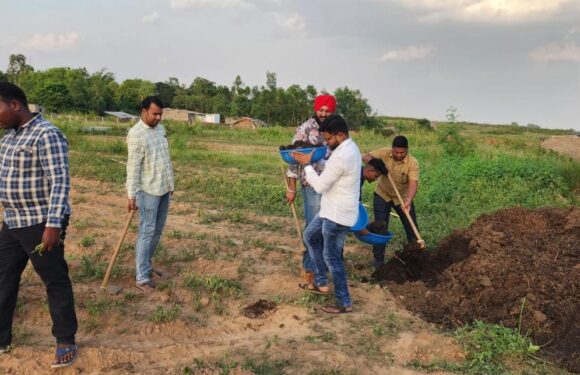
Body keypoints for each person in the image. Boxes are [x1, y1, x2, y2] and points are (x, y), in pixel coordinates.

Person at [0, 82, 78, 368]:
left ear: (15, 105)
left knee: (54, 279)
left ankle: (66, 339)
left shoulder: (47, 134)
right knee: (3, 277)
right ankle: (2, 338)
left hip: (40, 221)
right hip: (13, 220)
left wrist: (53, 225)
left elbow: (60, 181)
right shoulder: (8, 137)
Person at [291, 115, 361, 314]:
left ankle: (343, 302)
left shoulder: (342, 156)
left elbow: (320, 186)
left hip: (337, 215)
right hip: (332, 209)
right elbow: (330, 171)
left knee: (332, 258)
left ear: (340, 135)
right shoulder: (349, 148)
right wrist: (315, 159)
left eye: (329, 139)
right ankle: (321, 281)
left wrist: (306, 164)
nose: (327, 143)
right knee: (310, 236)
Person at [285, 94, 336, 286]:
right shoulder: (305, 129)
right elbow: (292, 158)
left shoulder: (336, 129)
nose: (323, 113)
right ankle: (310, 270)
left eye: (327, 110)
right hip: (313, 186)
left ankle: (325, 268)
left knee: (329, 229)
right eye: (320, 109)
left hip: (332, 187)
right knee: (314, 229)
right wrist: (292, 188)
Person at [126, 96, 174, 292]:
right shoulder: (136, 134)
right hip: (148, 191)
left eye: (161, 114)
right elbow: (133, 167)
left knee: (157, 231)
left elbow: (165, 159)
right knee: (146, 232)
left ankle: (146, 265)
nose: (159, 117)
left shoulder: (160, 130)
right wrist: (131, 195)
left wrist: (171, 184)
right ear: (143, 111)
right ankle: (142, 278)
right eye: (155, 114)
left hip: (164, 188)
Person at [362, 135, 420, 268]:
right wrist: (380, 165)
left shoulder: (413, 163)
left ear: (407, 150)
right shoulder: (384, 152)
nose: (399, 155)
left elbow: (413, 183)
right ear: (392, 149)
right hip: (383, 195)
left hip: (403, 199)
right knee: (380, 227)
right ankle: (378, 261)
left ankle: (416, 258)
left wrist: (409, 200)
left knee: (411, 227)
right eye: (396, 152)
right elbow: (365, 156)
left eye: (402, 153)